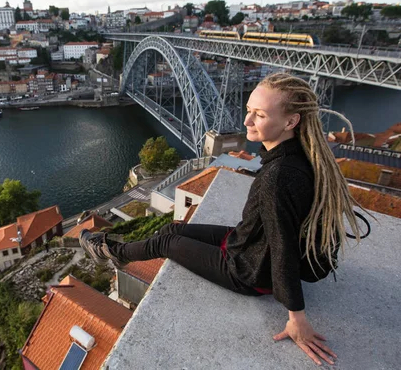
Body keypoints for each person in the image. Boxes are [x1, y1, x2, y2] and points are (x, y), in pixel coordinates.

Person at [80, 73, 366, 366]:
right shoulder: (299, 155)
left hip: (248, 272)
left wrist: (297, 317)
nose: (247, 122)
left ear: (291, 122)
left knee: (166, 241)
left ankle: (109, 252)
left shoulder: (278, 177)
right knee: (170, 228)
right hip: (248, 242)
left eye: (260, 115)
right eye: (248, 111)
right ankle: (116, 254)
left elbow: (284, 248)